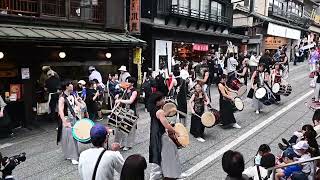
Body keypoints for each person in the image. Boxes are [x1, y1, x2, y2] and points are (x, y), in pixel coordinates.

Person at [148, 92, 182, 180]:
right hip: (161, 135)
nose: (164, 100)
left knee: (160, 155)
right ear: (157, 102)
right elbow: (167, 125)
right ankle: (170, 174)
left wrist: (170, 111)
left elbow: (162, 116)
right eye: (162, 99)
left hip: (155, 135)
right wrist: (176, 131)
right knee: (169, 154)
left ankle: (161, 174)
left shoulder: (153, 109)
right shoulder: (160, 111)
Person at [57, 80, 81, 165]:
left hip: (73, 118)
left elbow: (78, 104)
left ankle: (70, 154)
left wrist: (78, 107)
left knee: (72, 137)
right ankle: (73, 157)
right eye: (70, 84)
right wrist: (64, 122)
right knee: (68, 138)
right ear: (66, 86)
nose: (72, 85)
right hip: (67, 119)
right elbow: (60, 110)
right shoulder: (62, 98)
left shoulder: (72, 95)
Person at [115, 77, 138, 151]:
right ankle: (122, 144)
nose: (126, 83)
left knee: (129, 128)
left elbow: (130, 101)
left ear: (132, 83)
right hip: (124, 110)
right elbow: (121, 100)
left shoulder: (134, 91)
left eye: (128, 82)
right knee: (121, 127)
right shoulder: (125, 90)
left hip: (131, 111)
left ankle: (128, 145)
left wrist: (120, 100)